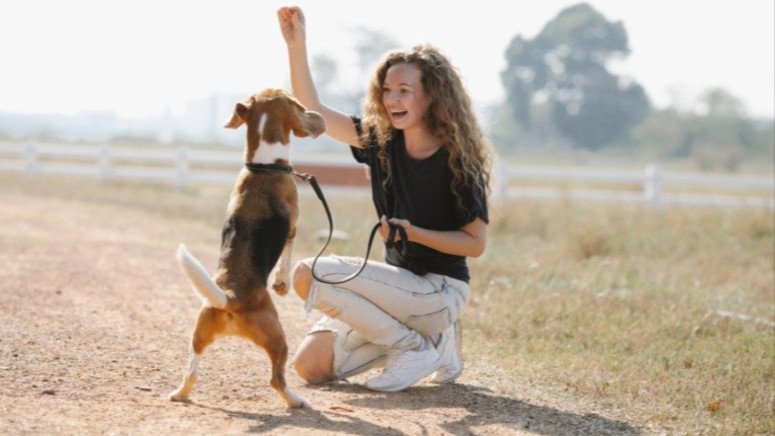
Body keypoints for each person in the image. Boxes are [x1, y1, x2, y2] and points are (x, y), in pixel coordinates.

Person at [277, 6, 493, 392]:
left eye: (404, 91)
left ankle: (412, 345)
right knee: (311, 368)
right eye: (387, 90)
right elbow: (314, 112)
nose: (393, 99)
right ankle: (435, 345)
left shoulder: (459, 160)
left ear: (432, 97)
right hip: (399, 292)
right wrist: (297, 45)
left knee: (307, 273)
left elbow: (475, 244)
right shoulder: (380, 141)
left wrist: (414, 232)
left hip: (440, 292)